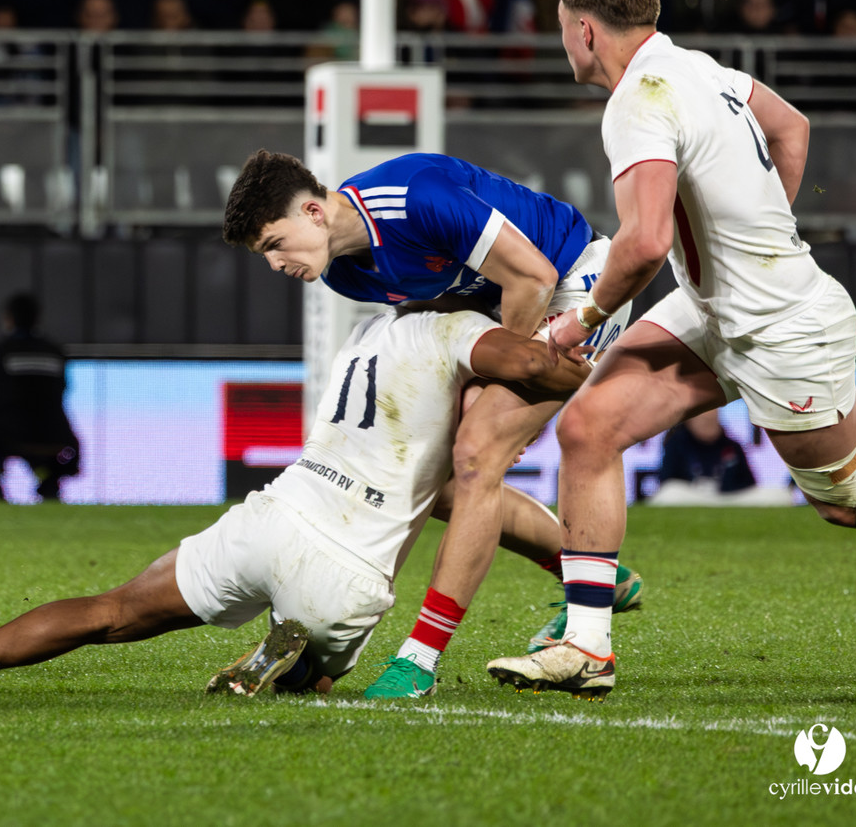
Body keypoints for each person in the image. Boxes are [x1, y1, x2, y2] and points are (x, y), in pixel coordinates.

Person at [485, 0, 856, 701]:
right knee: (588, 429)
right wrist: (754, 236)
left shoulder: (638, 99)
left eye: (560, 26)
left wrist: (583, 318)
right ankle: (587, 647)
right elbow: (794, 129)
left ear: (584, 30)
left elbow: (644, 242)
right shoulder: (700, 68)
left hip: (781, 326)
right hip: (718, 310)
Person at [0, 301, 594, 697]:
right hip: (345, 573)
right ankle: (295, 660)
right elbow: (537, 366)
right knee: (326, 670)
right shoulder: (465, 330)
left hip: (273, 517)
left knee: (111, 610)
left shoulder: (367, 332)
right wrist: (569, 364)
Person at [220, 149, 641, 694]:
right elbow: (439, 318)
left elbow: (533, 278)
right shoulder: (345, 274)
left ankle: (418, 660)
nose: (276, 265)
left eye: (274, 244)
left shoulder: (413, 196)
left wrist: (502, 390)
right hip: (503, 309)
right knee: (423, 474)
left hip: (576, 281)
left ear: (313, 212)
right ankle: (588, 575)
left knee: (476, 452)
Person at [0, 293, 80, 503]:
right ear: (37, 319)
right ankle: (49, 484)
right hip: (55, 436)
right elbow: (62, 391)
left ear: (9, 319)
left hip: (6, 435)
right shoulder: (55, 352)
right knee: (40, 452)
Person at [651, 409, 756, 498]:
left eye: (712, 421)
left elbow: (749, 486)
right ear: (690, 421)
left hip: (726, 501)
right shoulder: (676, 444)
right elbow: (666, 483)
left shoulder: (733, 447)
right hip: (687, 501)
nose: (708, 426)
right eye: (704, 421)